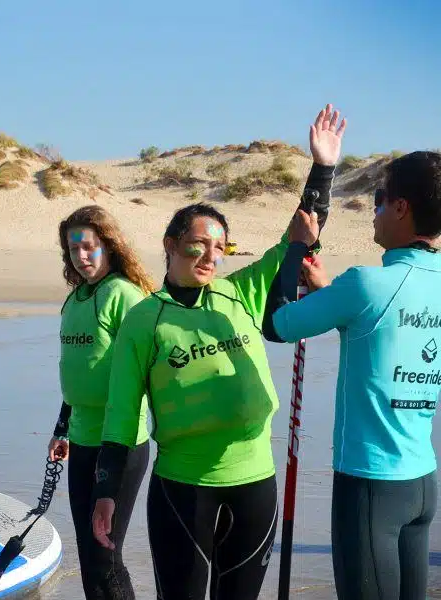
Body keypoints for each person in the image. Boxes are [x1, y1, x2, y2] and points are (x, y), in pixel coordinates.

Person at [91, 104, 346, 600]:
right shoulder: (145, 319)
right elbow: (121, 418)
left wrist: (323, 169)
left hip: (256, 483)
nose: (210, 256)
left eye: (220, 248)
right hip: (183, 491)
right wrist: (106, 493)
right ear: (170, 244)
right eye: (197, 244)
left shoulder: (241, 293)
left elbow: (302, 234)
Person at [263, 150, 441, 600]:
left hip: (369, 485)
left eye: (380, 199)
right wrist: (329, 296)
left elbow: (277, 323)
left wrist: (296, 246)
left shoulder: (365, 283)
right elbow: (384, 328)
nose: (375, 212)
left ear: (402, 207)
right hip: (422, 482)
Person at [47, 205, 154, 600]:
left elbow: (147, 370)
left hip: (120, 443)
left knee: (103, 555)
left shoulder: (124, 295)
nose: (82, 256)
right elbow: (76, 373)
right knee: (91, 555)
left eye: (89, 247)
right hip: (82, 440)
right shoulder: (75, 300)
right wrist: (62, 427)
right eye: (74, 250)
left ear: (109, 246)